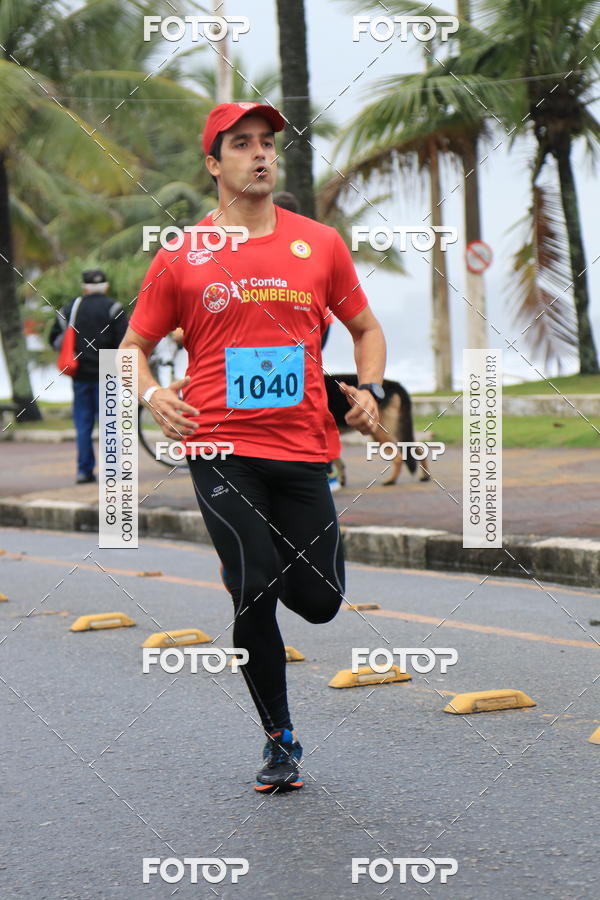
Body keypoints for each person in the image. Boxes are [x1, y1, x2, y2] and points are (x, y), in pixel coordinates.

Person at [120, 101, 386, 792]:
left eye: (267, 143)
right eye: (241, 145)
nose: (260, 154)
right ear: (214, 163)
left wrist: (369, 390)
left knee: (322, 601)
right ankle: (280, 739)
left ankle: (258, 567)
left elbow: (365, 328)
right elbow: (130, 352)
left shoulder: (319, 243)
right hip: (217, 447)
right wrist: (153, 395)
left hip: (302, 448)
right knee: (256, 583)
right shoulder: (181, 254)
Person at [49, 269, 128, 483]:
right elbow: (125, 342)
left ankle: (84, 471)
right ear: (106, 287)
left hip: (79, 371)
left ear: (84, 288)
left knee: (83, 426)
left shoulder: (70, 308)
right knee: (109, 422)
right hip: (107, 370)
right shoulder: (114, 308)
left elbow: (54, 339)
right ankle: (113, 470)